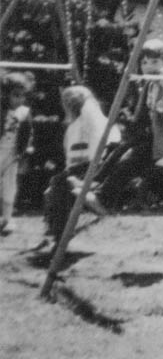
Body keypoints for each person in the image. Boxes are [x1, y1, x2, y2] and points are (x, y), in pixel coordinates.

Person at [85, 38, 163, 214]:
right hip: (156, 136)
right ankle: (94, 181)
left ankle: (104, 199)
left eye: (155, 62)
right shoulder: (149, 85)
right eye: (144, 62)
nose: (149, 66)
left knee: (129, 160)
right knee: (119, 149)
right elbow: (142, 118)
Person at [42, 85, 121, 244]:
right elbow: (68, 156)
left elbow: (107, 147)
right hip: (79, 169)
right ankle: (57, 229)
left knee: (60, 184)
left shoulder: (93, 122)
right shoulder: (73, 127)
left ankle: (59, 231)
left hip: (92, 168)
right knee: (53, 189)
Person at [0, 71, 35, 234]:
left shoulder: (23, 112)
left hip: (12, 155)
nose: (20, 99)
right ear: (5, 94)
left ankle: (7, 219)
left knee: (9, 186)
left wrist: (24, 150)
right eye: (15, 95)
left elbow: (27, 133)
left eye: (22, 96)